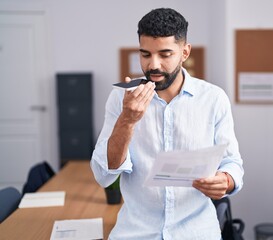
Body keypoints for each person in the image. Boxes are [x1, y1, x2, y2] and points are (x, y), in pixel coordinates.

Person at [91, 7, 244, 240]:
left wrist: (226, 180)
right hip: (136, 232)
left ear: (185, 52)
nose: (153, 65)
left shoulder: (214, 99)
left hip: (197, 232)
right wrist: (127, 121)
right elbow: (104, 175)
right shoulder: (121, 99)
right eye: (145, 54)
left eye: (165, 54)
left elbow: (232, 162)